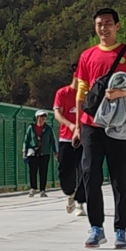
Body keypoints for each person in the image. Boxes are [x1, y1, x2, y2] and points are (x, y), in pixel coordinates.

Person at [76, 8, 126, 249]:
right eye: (99, 24)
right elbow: (82, 92)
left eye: (108, 23)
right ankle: (96, 227)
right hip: (91, 124)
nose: (103, 28)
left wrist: (122, 93)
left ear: (117, 26)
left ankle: (120, 229)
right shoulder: (87, 56)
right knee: (90, 174)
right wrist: (77, 126)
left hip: (120, 125)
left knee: (120, 178)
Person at [53, 64, 87, 216]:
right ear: (75, 74)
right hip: (66, 139)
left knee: (84, 170)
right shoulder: (63, 93)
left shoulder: (86, 94)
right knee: (65, 171)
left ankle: (80, 203)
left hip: (84, 139)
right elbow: (57, 114)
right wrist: (71, 125)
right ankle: (70, 194)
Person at [23, 110, 57, 197]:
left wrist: (55, 151)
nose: (43, 119)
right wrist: (24, 151)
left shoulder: (49, 129)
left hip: (44, 153)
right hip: (33, 153)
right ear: (37, 117)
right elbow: (26, 140)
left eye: (44, 117)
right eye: (41, 117)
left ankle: (42, 190)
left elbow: (53, 141)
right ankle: (33, 188)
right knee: (32, 171)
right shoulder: (31, 128)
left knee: (43, 172)